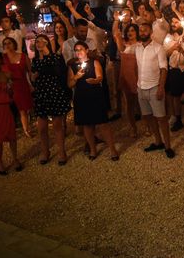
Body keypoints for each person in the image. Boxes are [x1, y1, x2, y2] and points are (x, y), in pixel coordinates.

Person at [114, 22, 173, 158]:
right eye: (140, 30)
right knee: (148, 117)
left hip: (154, 87)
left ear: (151, 32)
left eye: (145, 30)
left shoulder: (158, 48)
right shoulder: (137, 48)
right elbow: (124, 51)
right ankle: (158, 142)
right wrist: (117, 36)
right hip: (141, 88)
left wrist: (161, 87)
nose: (142, 32)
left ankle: (168, 146)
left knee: (161, 119)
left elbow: (164, 68)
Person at [67, 42, 119, 161]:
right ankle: (93, 149)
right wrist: (76, 77)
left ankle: (112, 149)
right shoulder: (72, 66)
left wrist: (95, 80)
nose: (78, 51)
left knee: (103, 124)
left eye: (81, 49)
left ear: (86, 50)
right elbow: (70, 84)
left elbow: (100, 77)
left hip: (95, 95)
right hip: (81, 97)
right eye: (76, 50)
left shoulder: (94, 62)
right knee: (87, 125)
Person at [32, 34, 71, 165]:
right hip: (41, 94)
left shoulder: (55, 57)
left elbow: (59, 72)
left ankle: (61, 152)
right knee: (42, 128)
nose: (38, 43)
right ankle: (45, 151)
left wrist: (47, 54)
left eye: (41, 41)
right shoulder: (35, 60)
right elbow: (33, 77)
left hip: (54, 92)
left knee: (57, 126)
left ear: (47, 43)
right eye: (36, 42)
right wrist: (33, 77)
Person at [1, 37, 33, 138]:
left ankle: (26, 128)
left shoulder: (23, 56)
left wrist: (32, 83)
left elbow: (30, 71)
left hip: (23, 85)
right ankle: (24, 129)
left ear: (14, 44)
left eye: (9, 43)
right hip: (10, 86)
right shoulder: (3, 59)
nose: (7, 45)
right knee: (19, 109)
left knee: (25, 108)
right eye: (5, 44)